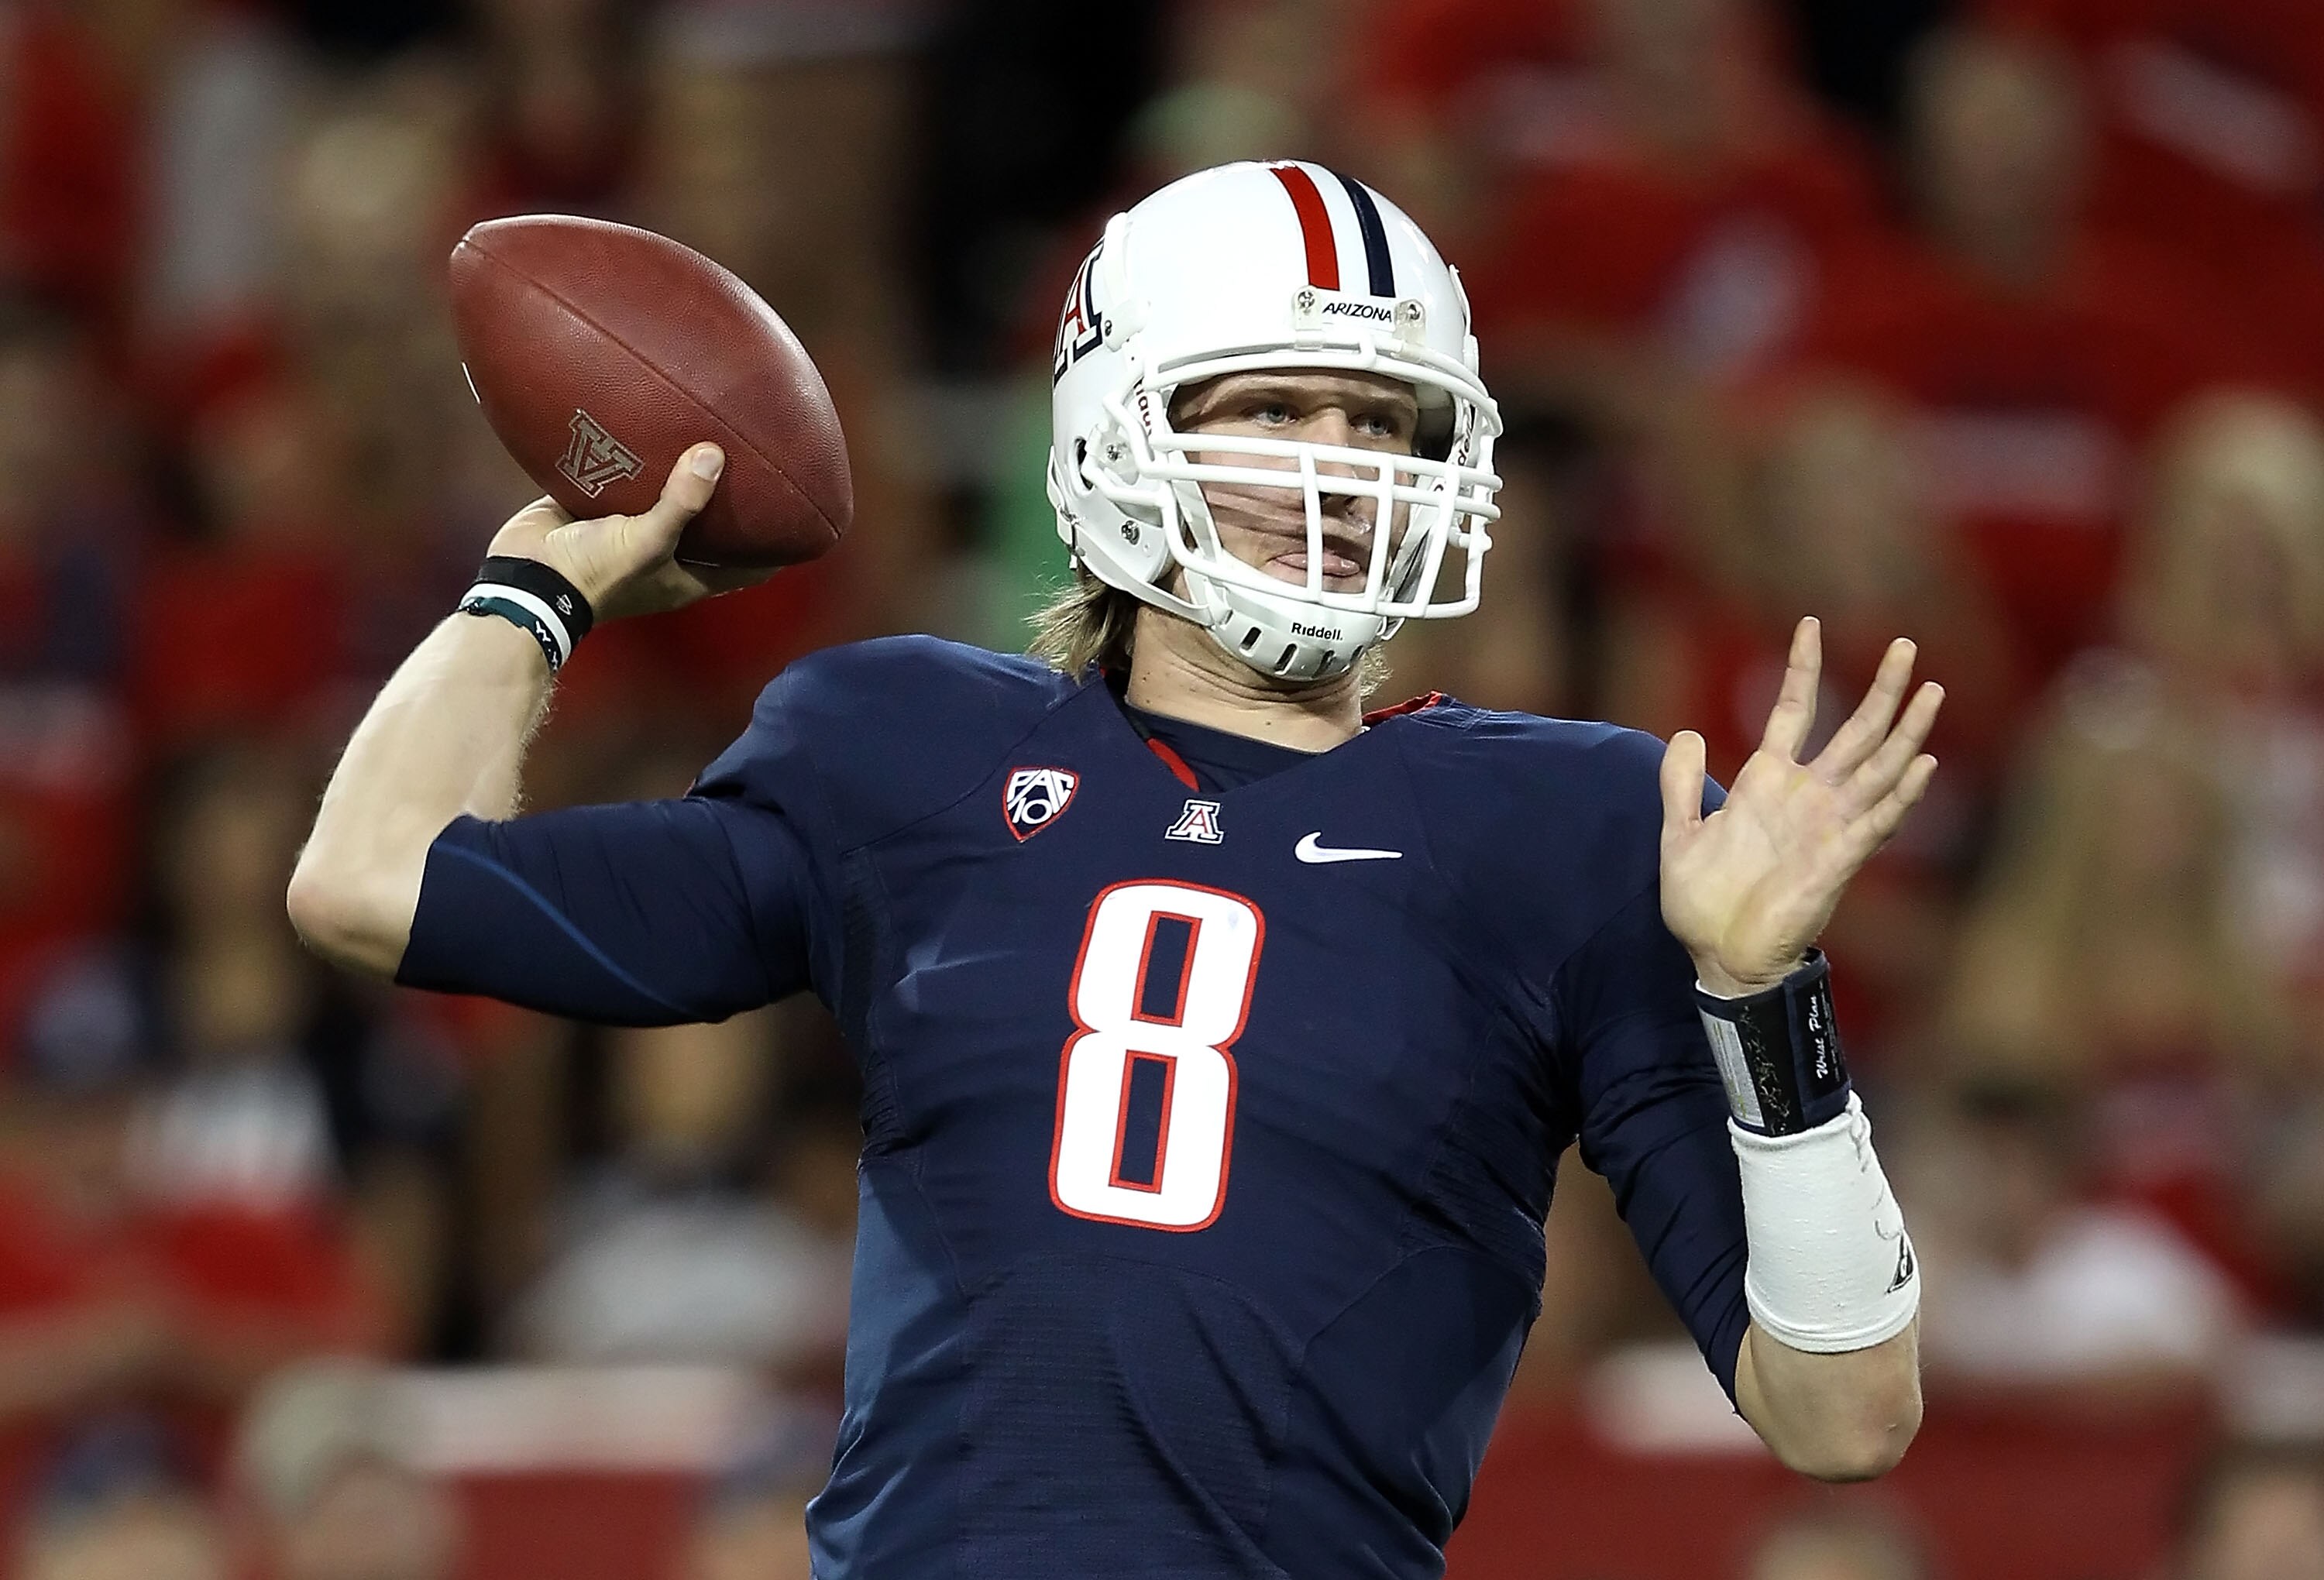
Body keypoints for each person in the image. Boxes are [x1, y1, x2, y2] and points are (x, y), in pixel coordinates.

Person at [287, 161, 1937, 1577]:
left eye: (1380, 417)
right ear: (1112, 425)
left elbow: (1843, 1415)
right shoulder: (905, 749)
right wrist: (532, 587)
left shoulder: (1576, 828)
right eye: (1274, 406)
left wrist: (1763, 994)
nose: (1337, 466)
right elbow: (371, 879)